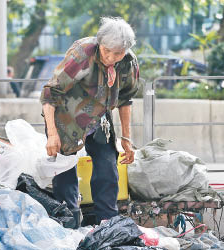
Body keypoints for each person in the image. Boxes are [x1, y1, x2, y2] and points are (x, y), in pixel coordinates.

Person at [40, 17, 139, 228]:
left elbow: (125, 99)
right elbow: (50, 94)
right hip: (67, 118)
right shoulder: (83, 54)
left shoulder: (128, 62)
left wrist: (127, 138)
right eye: (107, 51)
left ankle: (108, 225)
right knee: (65, 173)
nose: (111, 58)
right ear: (99, 43)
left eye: (118, 53)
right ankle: (69, 225)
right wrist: (52, 134)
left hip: (99, 118)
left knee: (108, 168)